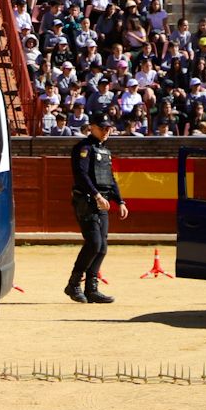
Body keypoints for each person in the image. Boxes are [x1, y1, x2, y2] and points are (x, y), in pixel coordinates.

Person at [65, 111, 127, 304]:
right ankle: (73, 284)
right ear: (92, 127)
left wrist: (121, 201)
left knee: (102, 247)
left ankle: (91, 288)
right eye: (103, 128)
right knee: (94, 243)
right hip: (87, 200)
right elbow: (81, 175)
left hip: (102, 201)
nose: (107, 131)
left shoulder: (105, 150)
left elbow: (110, 179)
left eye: (109, 128)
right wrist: (97, 195)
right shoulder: (83, 148)